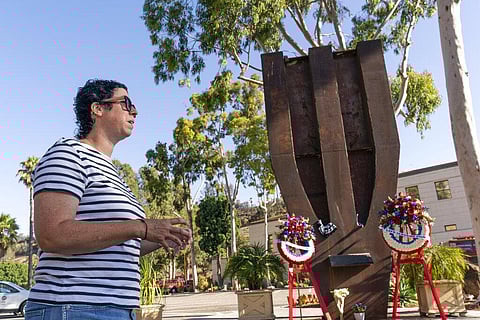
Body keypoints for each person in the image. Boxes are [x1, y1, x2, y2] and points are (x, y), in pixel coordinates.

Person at [25, 79, 192, 320]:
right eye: (125, 103)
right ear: (98, 109)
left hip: (118, 310)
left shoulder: (113, 173)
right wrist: (140, 227)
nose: (134, 111)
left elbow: (120, 243)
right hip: (73, 307)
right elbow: (52, 235)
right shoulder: (67, 154)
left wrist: (161, 236)